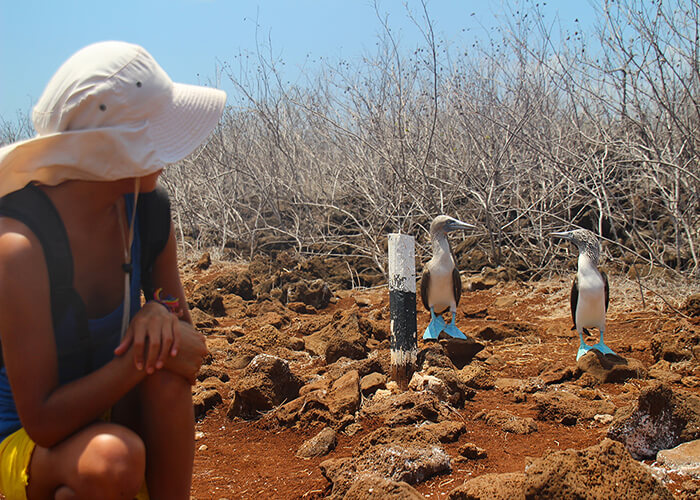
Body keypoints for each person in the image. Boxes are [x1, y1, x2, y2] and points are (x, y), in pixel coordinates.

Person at [0, 41, 225, 499]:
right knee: (112, 461)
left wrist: (159, 317)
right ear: (113, 150)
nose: (166, 149)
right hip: (24, 439)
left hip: (103, 413)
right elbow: (42, 421)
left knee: (165, 385)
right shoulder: (17, 247)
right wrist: (142, 357)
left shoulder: (148, 214)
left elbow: (188, 354)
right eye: (151, 134)